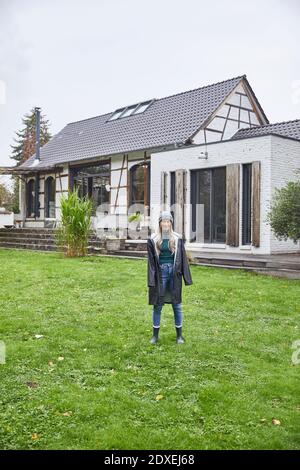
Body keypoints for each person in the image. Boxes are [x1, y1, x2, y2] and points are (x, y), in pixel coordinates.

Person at [147, 210, 193, 344]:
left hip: (174, 273)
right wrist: (151, 280)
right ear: (160, 223)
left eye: (168, 221)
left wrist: (187, 278)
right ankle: (155, 336)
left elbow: (183, 259)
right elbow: (150, 262)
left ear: (171, 223)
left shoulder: (177, 238)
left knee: (176, 305)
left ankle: (179, 336)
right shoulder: (153, 239)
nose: (166, 224)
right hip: (160, 273)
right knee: (157, 305)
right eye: (163, 221)